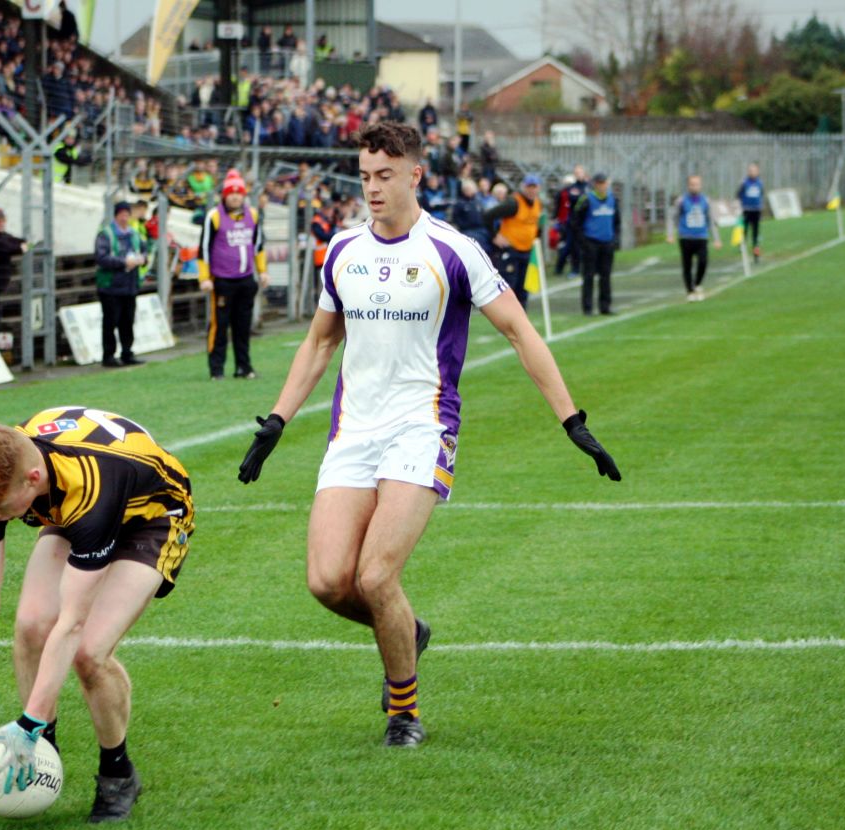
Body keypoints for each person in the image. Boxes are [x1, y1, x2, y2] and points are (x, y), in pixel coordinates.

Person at [236, 122, 621, 749]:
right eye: (364, 177)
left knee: (376, 576)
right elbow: (320, 342)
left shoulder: (454, 251)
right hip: (353, 432)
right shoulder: (343, 250)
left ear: (417, 174)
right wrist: (277, 421)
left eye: (385, 176)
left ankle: (403, 712)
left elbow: (522, 334)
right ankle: (406, 629)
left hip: (423, 427)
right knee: (328, 581)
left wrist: (572, 420)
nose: (373, 189)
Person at [0, 406, 195, 823]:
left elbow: (72, 621)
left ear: (32, 480)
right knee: (30, 625)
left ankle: (117, 773)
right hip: (69, 507)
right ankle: (45, 748)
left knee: (88, 652)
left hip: (155, 516)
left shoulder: (93, 488)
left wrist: (28, 721)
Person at [197, 169, 268, 380]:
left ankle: (243, 367)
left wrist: (262, 271)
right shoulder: (214, 216)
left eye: (239, 192)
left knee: (243, 326)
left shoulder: (252, 215)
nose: (235, 196)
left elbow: (258, 246)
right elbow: (203, 250)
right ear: (224, 195)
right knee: (219, 327)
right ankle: (216, 369)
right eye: (231, 192)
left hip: (246, 279)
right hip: (222, 281)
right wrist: (204, 278)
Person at [94, 201, 149, 368]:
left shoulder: (134, 234)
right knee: (110, 321)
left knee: (128, 321)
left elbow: (145, 251)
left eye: (127, 214)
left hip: (130, 284)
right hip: (111, 286)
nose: (125, 217)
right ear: (116, 215)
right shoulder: (106, 235)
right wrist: (123, 262)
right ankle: (108, 355)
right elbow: (101, 258)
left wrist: (142, 259)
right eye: (122, 214)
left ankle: (127, 352)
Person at [483, 173, 545, 309]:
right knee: (509, 287)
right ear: (524, 187)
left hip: (527, 250)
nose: (532, 190)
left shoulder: (538, 204)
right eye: (529, 186)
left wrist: (536, 238)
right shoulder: (513, 203)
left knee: (524, 287)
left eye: (534, 187)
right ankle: (507, 317)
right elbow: (488, 215)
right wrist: (495, 236)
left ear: (539, 188)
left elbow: (537, 224)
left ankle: (522, 318)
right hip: (511, 250)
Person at [569, 172, 620, 316]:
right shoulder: (586, 199)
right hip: (591, 242)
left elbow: (617, 221)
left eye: (604, 183)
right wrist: (584, 241)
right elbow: (575, 222)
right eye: (599, 183)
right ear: (595, 184)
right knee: (589, 275)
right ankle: (588, 307)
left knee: (606, 275)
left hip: (607, 242)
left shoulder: (612, 199)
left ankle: (605, 306)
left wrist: (614, 238)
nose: (602, 186)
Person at [666, 175, 721, 302]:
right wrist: (670, 234)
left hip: (701, 236)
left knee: (703, 262)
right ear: (688, 185)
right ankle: (690, 291)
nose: (694, 186)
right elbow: (672, 217)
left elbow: (711, 220)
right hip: (686, 237)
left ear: (700, 185)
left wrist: (716, 239)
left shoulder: (706, 201)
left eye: (697, 184)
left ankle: (697, 284)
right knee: (687, 265)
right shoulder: (681, 201)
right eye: (692, 184)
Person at [553, 165, 587, 277]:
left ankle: (583, 267)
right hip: (572, 223)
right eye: (576, 172)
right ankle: (567, 268)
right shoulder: (571, 189)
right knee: (570, 246)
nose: (578, 174)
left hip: (586, 223)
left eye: (580, 172)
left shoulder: (588, 187)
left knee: (583, 247)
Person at [738, 162, 763, 262]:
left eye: (754, 170)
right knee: (744, 231)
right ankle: (743, 251)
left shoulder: (760, 183)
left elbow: (761, 194)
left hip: (756, 211)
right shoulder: (744, 183)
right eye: (750, 170)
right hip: (746, 210)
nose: (752, 172)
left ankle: (756, 253)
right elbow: (739, 194)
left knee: (756, 234)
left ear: (757, 172)